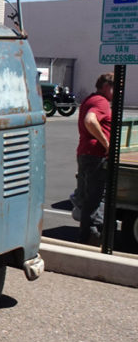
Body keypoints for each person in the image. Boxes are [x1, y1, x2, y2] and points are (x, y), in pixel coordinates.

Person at [75, 72, 114, 245]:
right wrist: (106, 144)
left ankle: (87, 237)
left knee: (89, 198)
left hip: (85, 153)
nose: (117, 94)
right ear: (106, 87)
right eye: (116, 89)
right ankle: (91, 238)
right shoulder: (101, 102)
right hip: (96, 156)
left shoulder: (89, 99)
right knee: (96, 199)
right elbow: (90, 120)